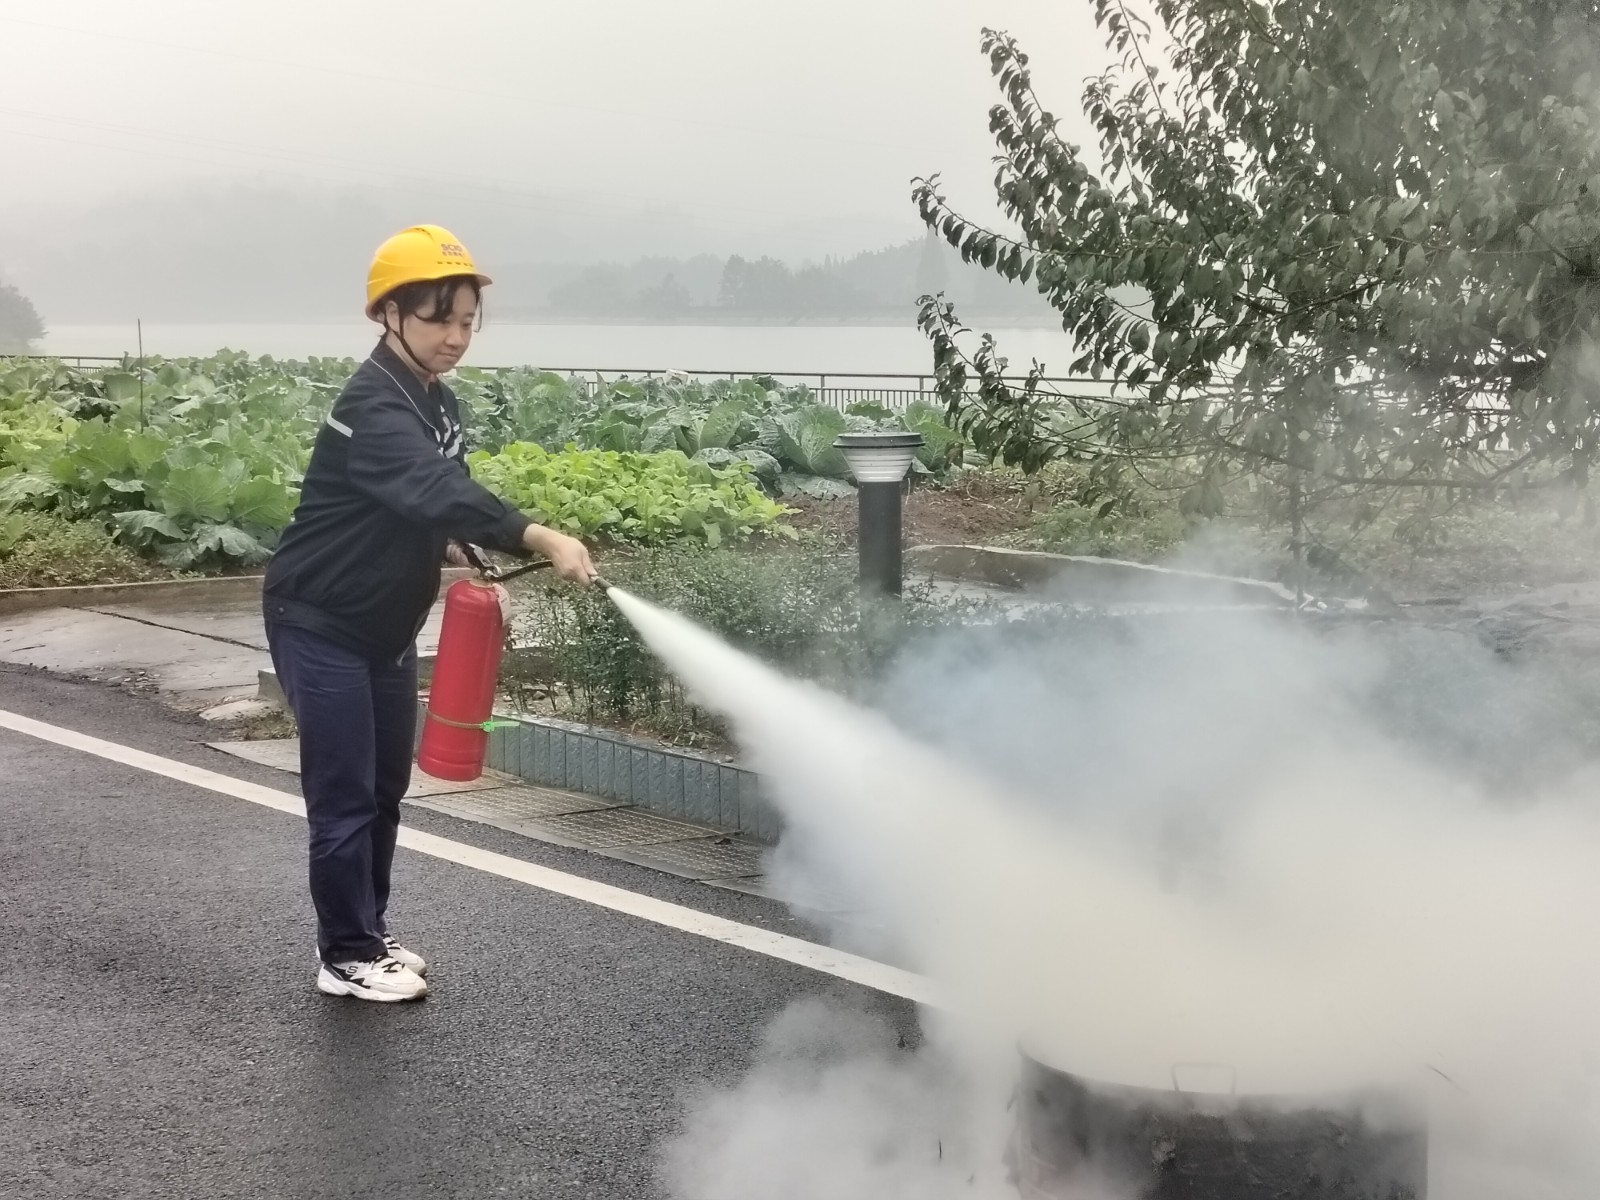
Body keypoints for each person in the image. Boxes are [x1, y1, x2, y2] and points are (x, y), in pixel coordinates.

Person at [263, 224, 598, 1003]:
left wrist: (469, 554)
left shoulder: (435, 401)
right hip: (319, 618)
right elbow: (430, 486)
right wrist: (538, 535)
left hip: (382, 628)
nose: (455, 337)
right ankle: (345, 955)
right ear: (390, 314)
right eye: (438, 318)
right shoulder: (372, 405)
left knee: (384, 788)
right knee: (344, 794)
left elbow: (431, 506)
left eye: (467, 321)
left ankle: (367, 930)